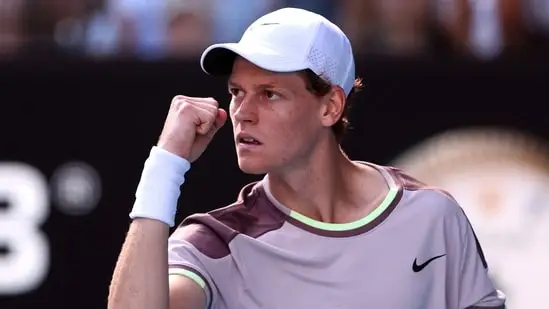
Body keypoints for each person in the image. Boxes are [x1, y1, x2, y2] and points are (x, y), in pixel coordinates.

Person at [107, 7, 506, 309]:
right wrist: (165, 167)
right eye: (237, 92)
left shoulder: (432, 215)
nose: (243, 112)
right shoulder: (215, 245)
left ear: (330, 106)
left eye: (269, 93)